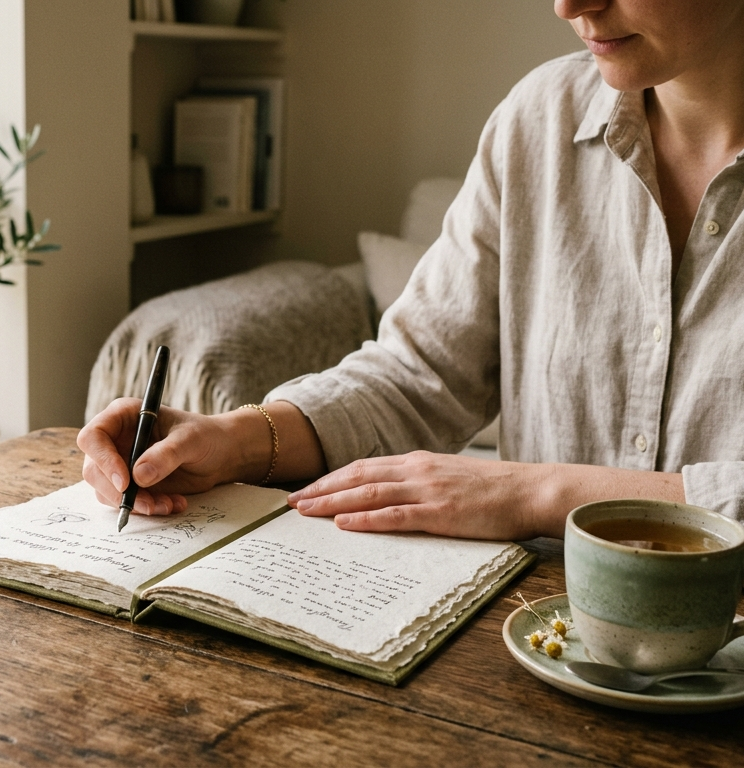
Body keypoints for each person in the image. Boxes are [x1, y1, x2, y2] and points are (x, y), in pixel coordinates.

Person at [78, 0, 744, 540]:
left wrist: (538, 493)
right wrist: (237, 439)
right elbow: (419, 376)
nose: (568, 5)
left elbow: (522, 491)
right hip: (532, 636)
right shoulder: (538, 120)